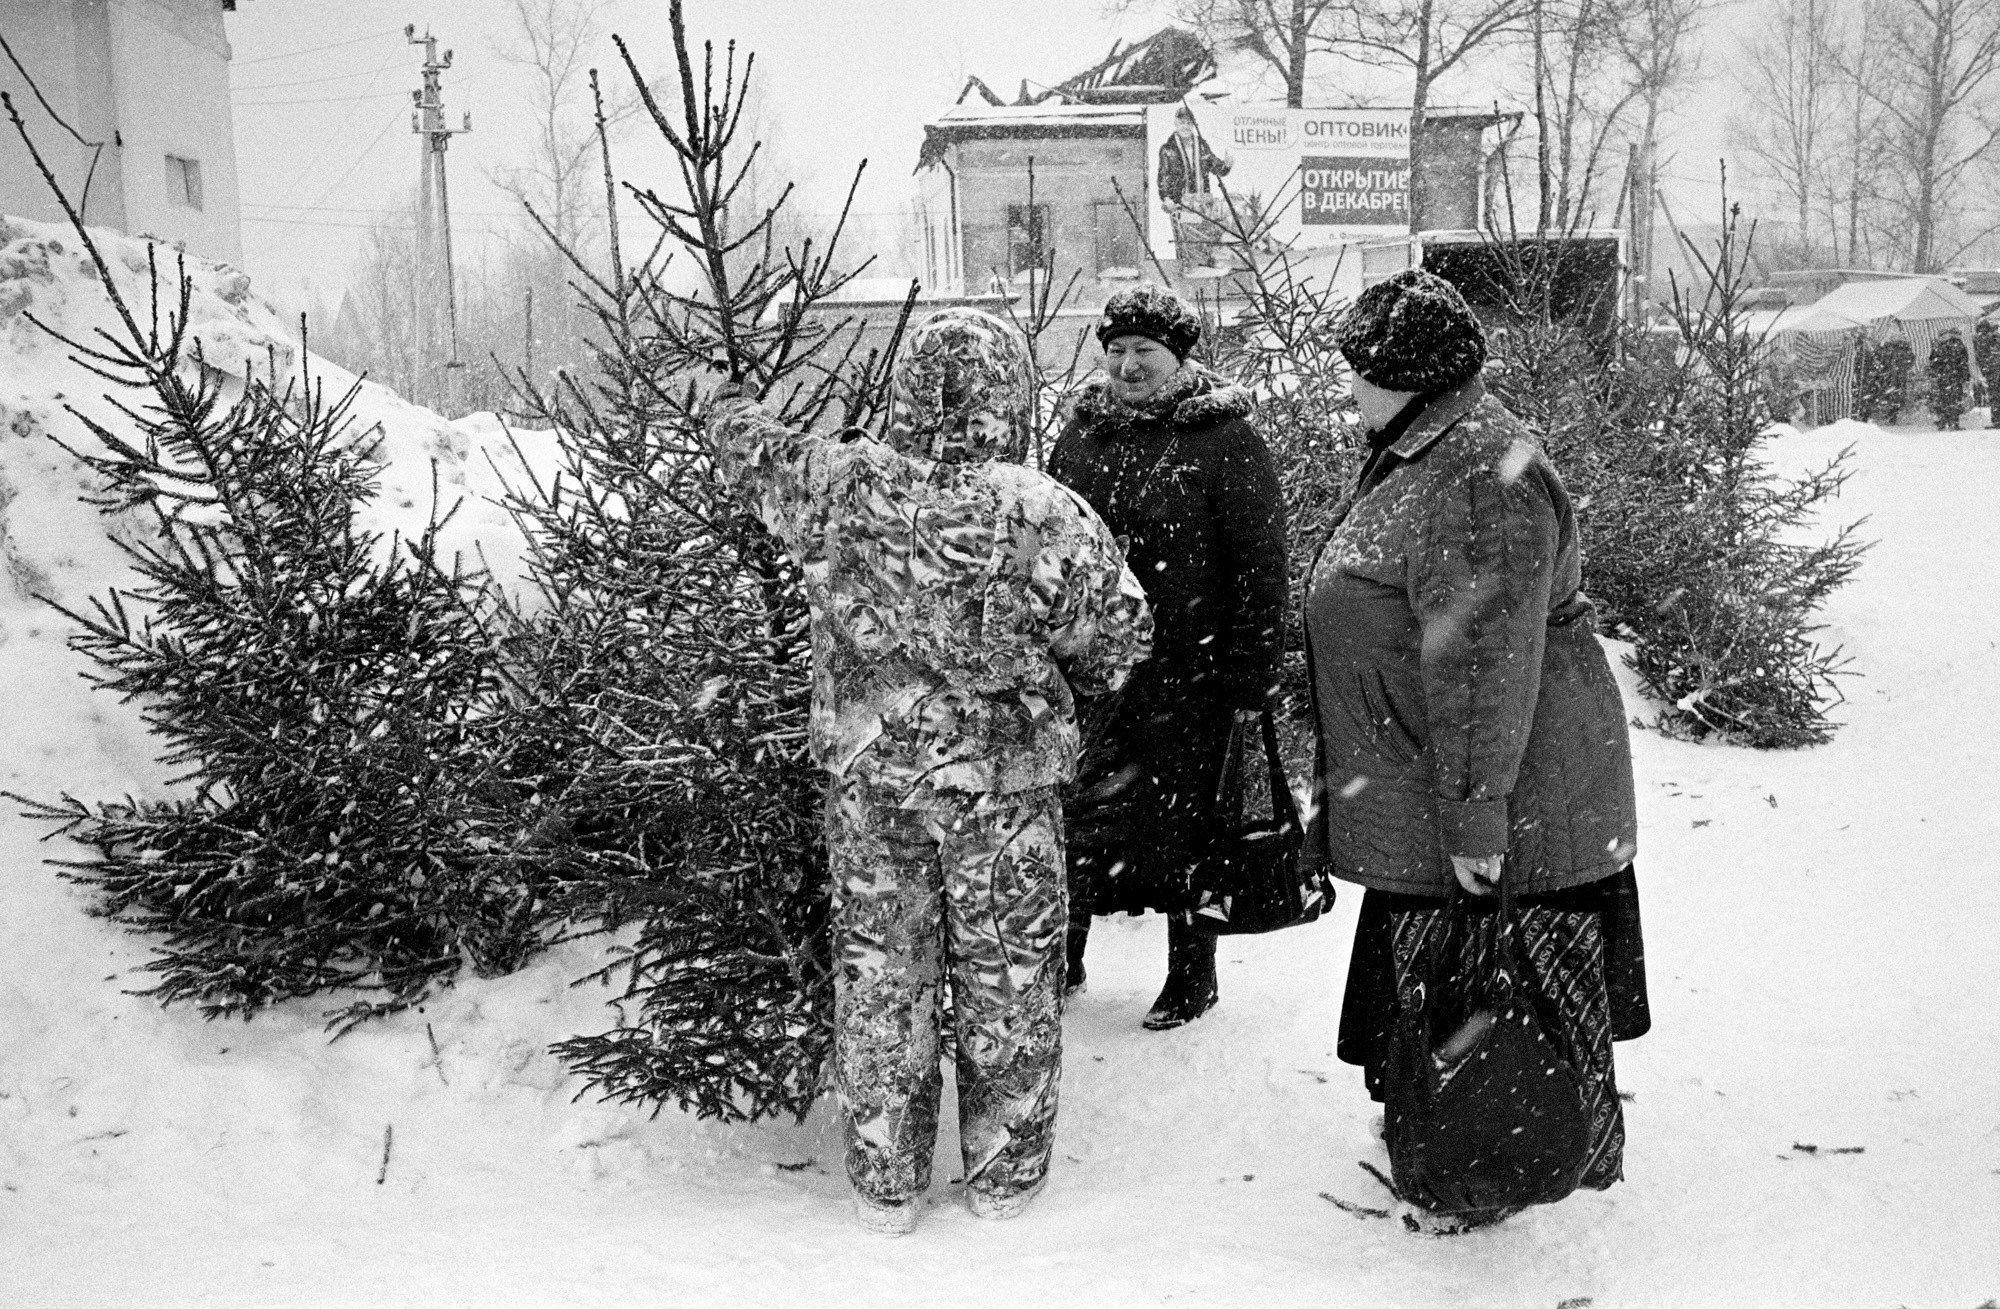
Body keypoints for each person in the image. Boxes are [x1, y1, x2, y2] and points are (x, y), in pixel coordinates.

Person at [705, 309, 1153, 1235]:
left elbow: (757, 458)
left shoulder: (844, 486)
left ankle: (887, 1185)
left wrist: (723, 400)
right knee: (1011, 983)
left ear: (907, 388)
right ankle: (1004, 1180)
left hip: (875, 793)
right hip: (1005, 798)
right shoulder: (1039, 507)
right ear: (1009, 394)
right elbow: (1121, 635)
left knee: (880, 983)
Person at [1301, 267, 1650, 1215]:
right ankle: (1464, 1126)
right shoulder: (1434, 448)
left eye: (1359, 371)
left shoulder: (1472, 479)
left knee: (1510, 979)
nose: (1349, 388)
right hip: (1450, 779)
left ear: (1408, 375)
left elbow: (1483, 664)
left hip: (1503, 792)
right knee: (1473, 980)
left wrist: (1475, 818)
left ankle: (1507, 1152)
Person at [1048, 285, 1288, 1030]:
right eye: (1115, 352)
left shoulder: (1224, 440)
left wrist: (1249, 672)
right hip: (1093, 671)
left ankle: (1193, 972)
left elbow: (1259, 560)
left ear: (1178, 359)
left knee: (1190, 825)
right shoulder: (1083, 436)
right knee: (1079, 814)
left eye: (1142, 353)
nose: (1126, 367)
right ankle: (1067, 951)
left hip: (1192, 673)